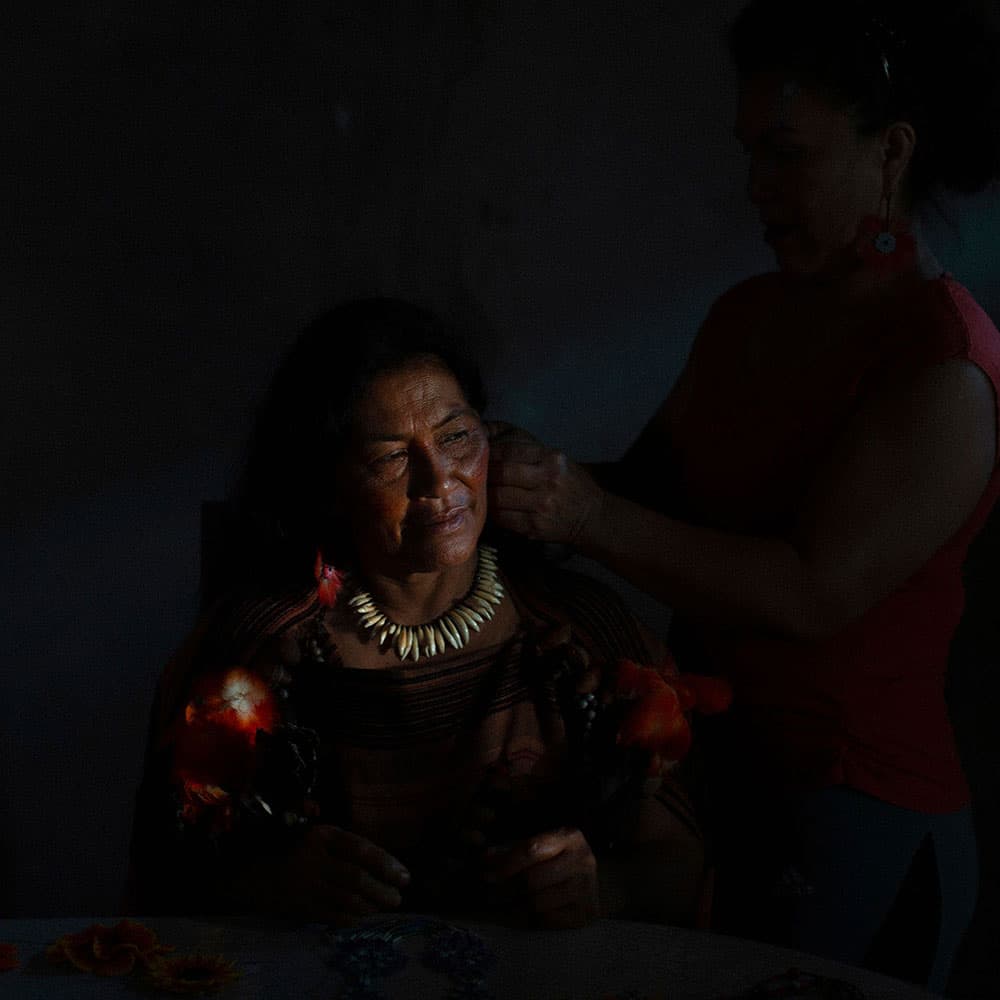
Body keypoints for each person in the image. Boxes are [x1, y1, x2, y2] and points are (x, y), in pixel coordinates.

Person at [486, 0, 1000, 990]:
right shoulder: (749, 314)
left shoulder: (941, 365)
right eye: (749, 153)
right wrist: (500, 475)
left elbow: (813, 591)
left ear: (892, 152)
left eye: (787, 153)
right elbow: (646, 489)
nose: (757, 187)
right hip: (705, 774)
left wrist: (581, 512)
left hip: (853, 805)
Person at [126, 298, 709, 930]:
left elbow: (683, 866)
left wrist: (603, 891)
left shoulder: (577, 637)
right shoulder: (260, 654)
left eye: (455, 436)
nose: (438, 481)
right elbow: (163, 874)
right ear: (330, 484)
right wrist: (268, 883)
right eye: (391, 457)